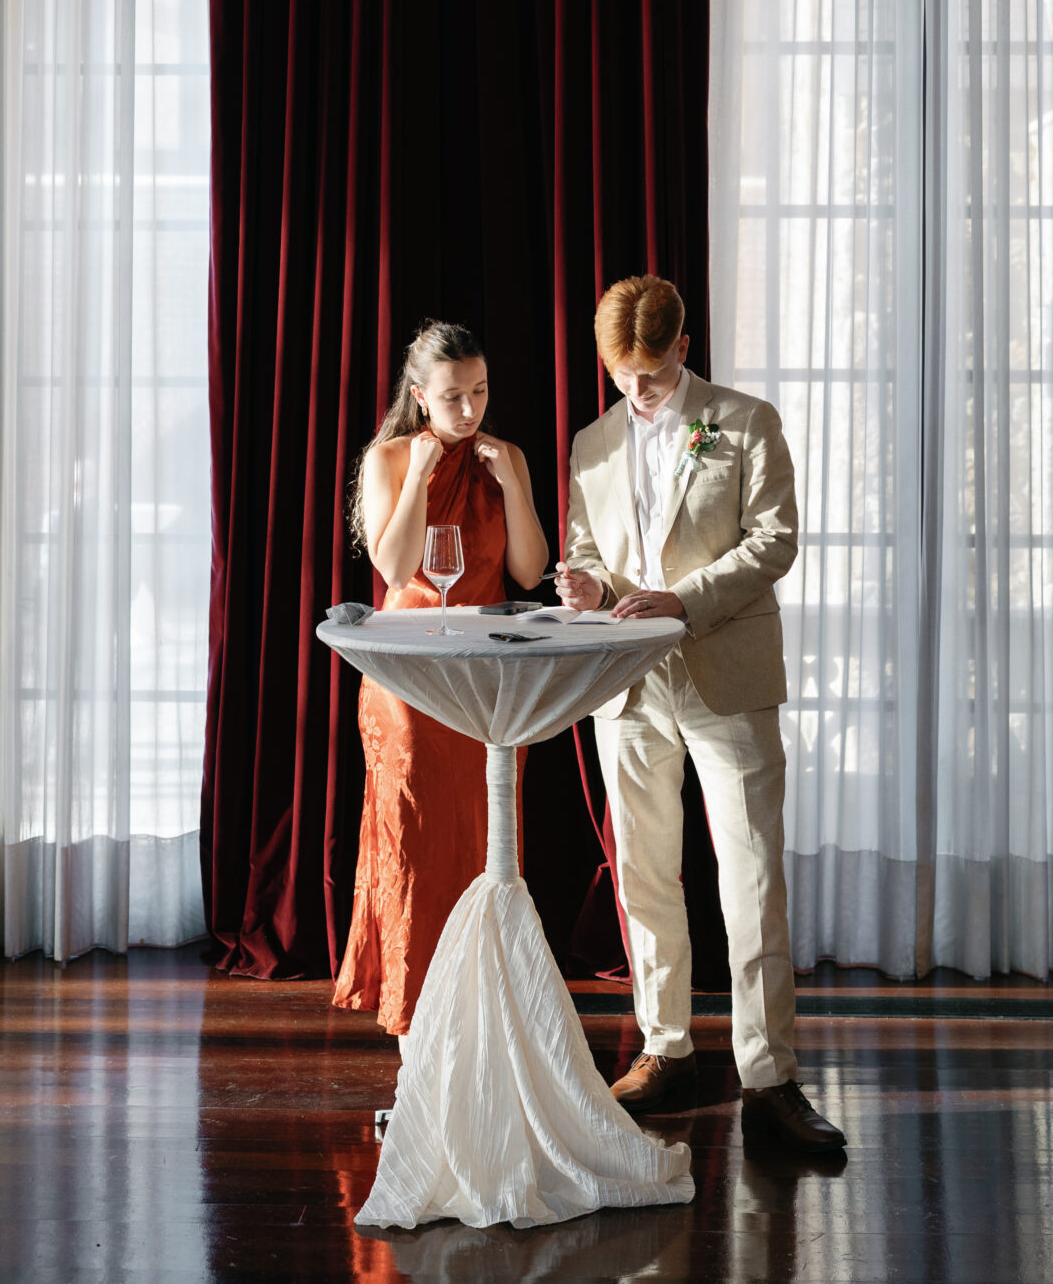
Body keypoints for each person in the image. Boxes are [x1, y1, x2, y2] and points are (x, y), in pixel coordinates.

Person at [558, 275, 845, 1155]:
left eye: (648, 376)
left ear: (683, 349)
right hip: (627, 685)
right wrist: (585, 585)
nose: (635, 394)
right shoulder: (591, 442)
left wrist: (679, 600)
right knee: (644, 873)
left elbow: (776, 539)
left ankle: (771, 1076)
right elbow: (586, 551)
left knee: (751, 876)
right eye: (620, 376)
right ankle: (664, 1048)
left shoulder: (746, 420)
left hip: (726, 670)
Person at [332, 319, 548, 1044]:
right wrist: (422, 475)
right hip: (409, 674)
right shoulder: (389, 458)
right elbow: (395, 570)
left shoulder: (504, 454)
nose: (469, 409)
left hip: (486, 673)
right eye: (453, 396)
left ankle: (482, 1008)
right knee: (420, 840)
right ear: (422, 397)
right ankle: (414, 1018)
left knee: (486, 837)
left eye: (480, 392)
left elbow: (526, 571)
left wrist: (513, 482)